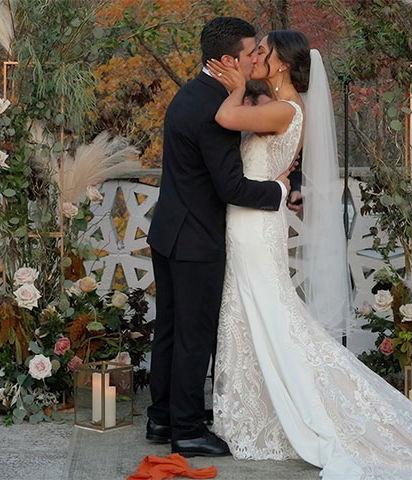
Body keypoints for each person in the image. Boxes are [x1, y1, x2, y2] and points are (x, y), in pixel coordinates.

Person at [206, 30, 412, 480]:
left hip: (254, 225)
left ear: (282, 63)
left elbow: (225, 116)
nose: (254, 57)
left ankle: (300, 408)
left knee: (265, 309)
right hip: (251, 220)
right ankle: (256, 408)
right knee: (251, 310)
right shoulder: (282, 105)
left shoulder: (285, 108)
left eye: (262, 51)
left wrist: (235, 85)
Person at [145, 17, 294, 457]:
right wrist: (280, 190)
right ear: (229, 60)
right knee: (194, 335)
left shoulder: (192, 92)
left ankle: (163, 417)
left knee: (170, 330)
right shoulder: (214, 109)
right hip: (196, 239)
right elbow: (231, 187)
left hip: (169, 231)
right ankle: (188, 430)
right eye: (250, 53)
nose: (255, 59)